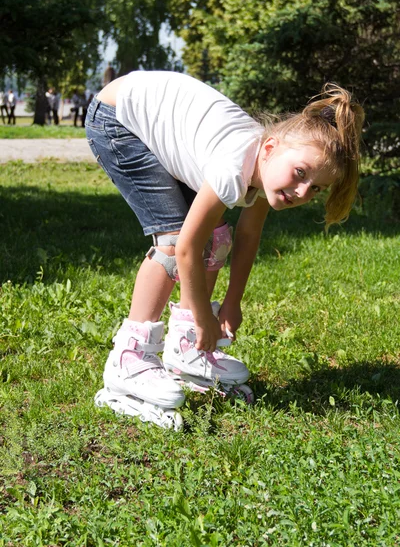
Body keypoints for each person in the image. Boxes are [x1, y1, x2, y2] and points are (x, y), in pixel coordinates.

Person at [85, 71, 364, 429]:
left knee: (218, 236)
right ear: (269, 148)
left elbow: (247, 235)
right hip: (117, 118)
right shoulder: (235, 166)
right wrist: (203, 314)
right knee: (172, 240)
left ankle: (187, 348)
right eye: (300, 173)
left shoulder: (266, 169)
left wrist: (233, 301)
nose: (301, 191)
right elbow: (186, 248)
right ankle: (129, 358)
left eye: (315, 189)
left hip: (153, 116)